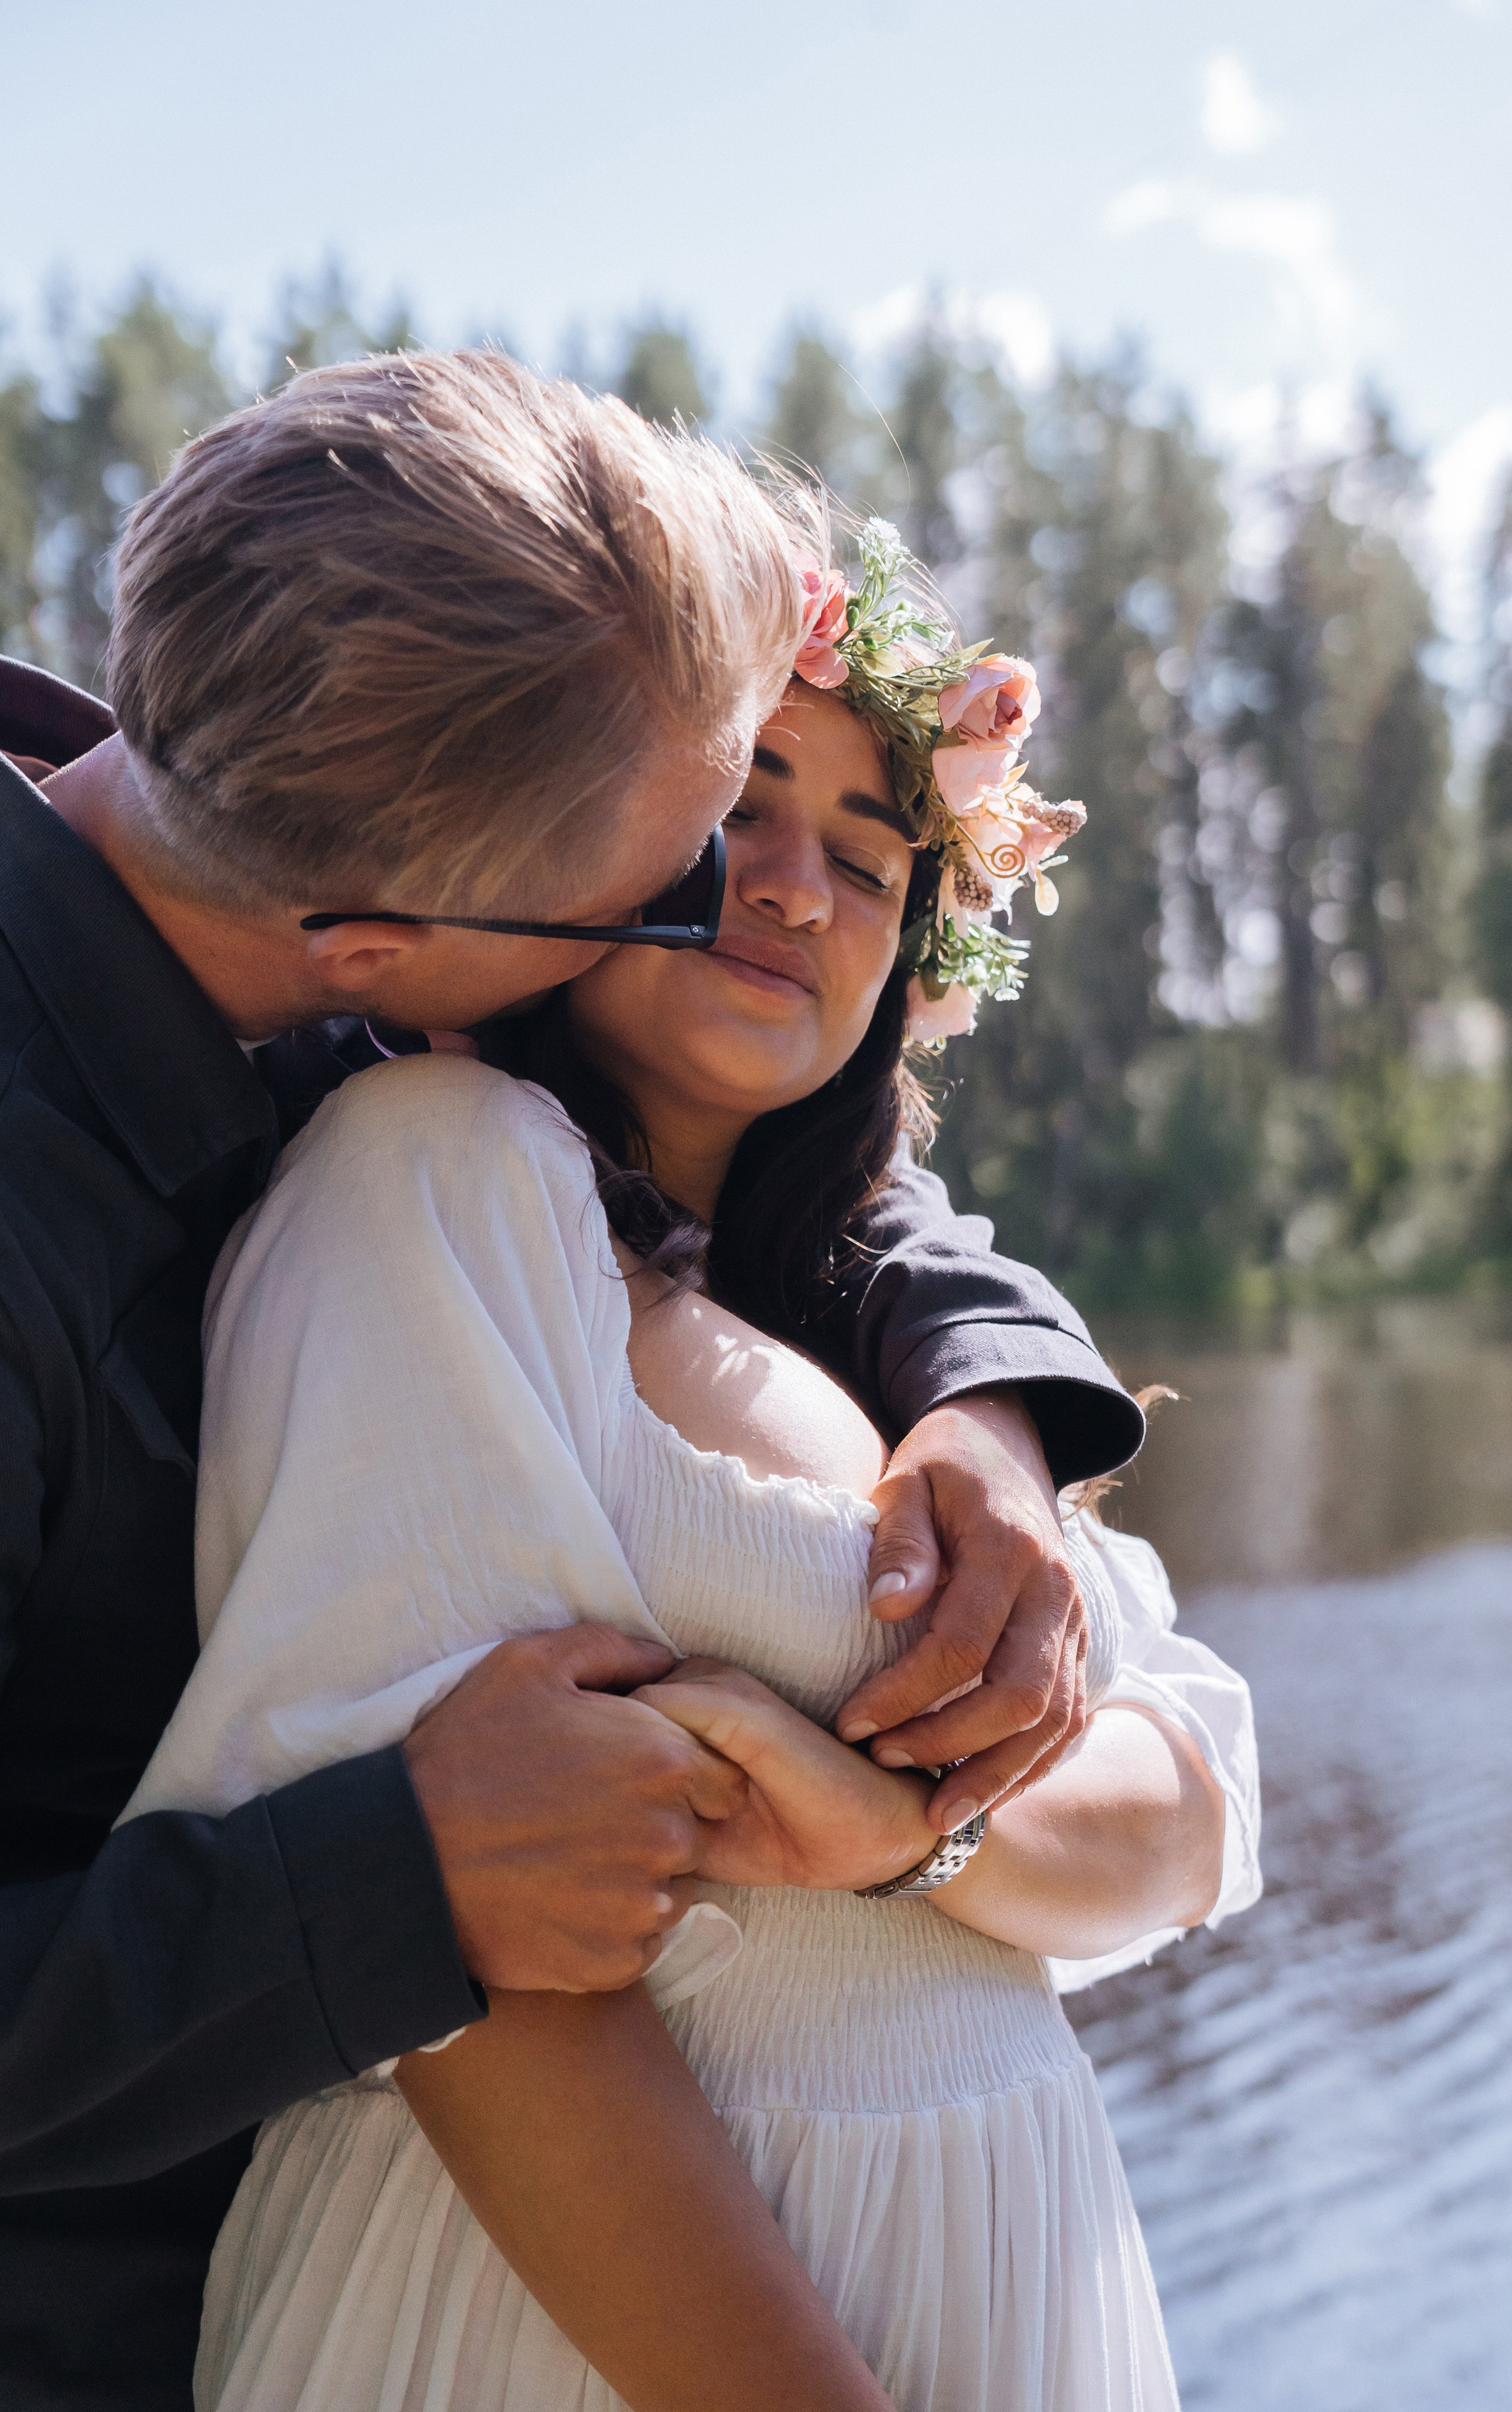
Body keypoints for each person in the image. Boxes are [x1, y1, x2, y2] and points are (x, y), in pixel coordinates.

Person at [0, 356, 1146, 2409]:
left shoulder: (277, 863)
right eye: (684, 864)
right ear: (384, 947)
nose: (760, 897)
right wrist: (390, 1881)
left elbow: (809, 1190)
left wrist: (991, 1396)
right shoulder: (359, 1157)